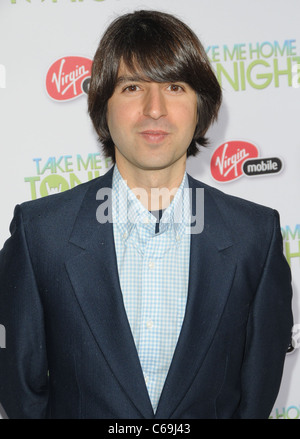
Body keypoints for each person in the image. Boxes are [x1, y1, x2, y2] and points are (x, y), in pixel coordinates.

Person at [0, 10, 293, 419]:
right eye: (132, 86)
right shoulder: (41, 235)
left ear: (201, 106)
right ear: (103, 106)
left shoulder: (254, 237)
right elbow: (22, 391)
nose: (154, 109)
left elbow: (257, 389)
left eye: (175, 86)